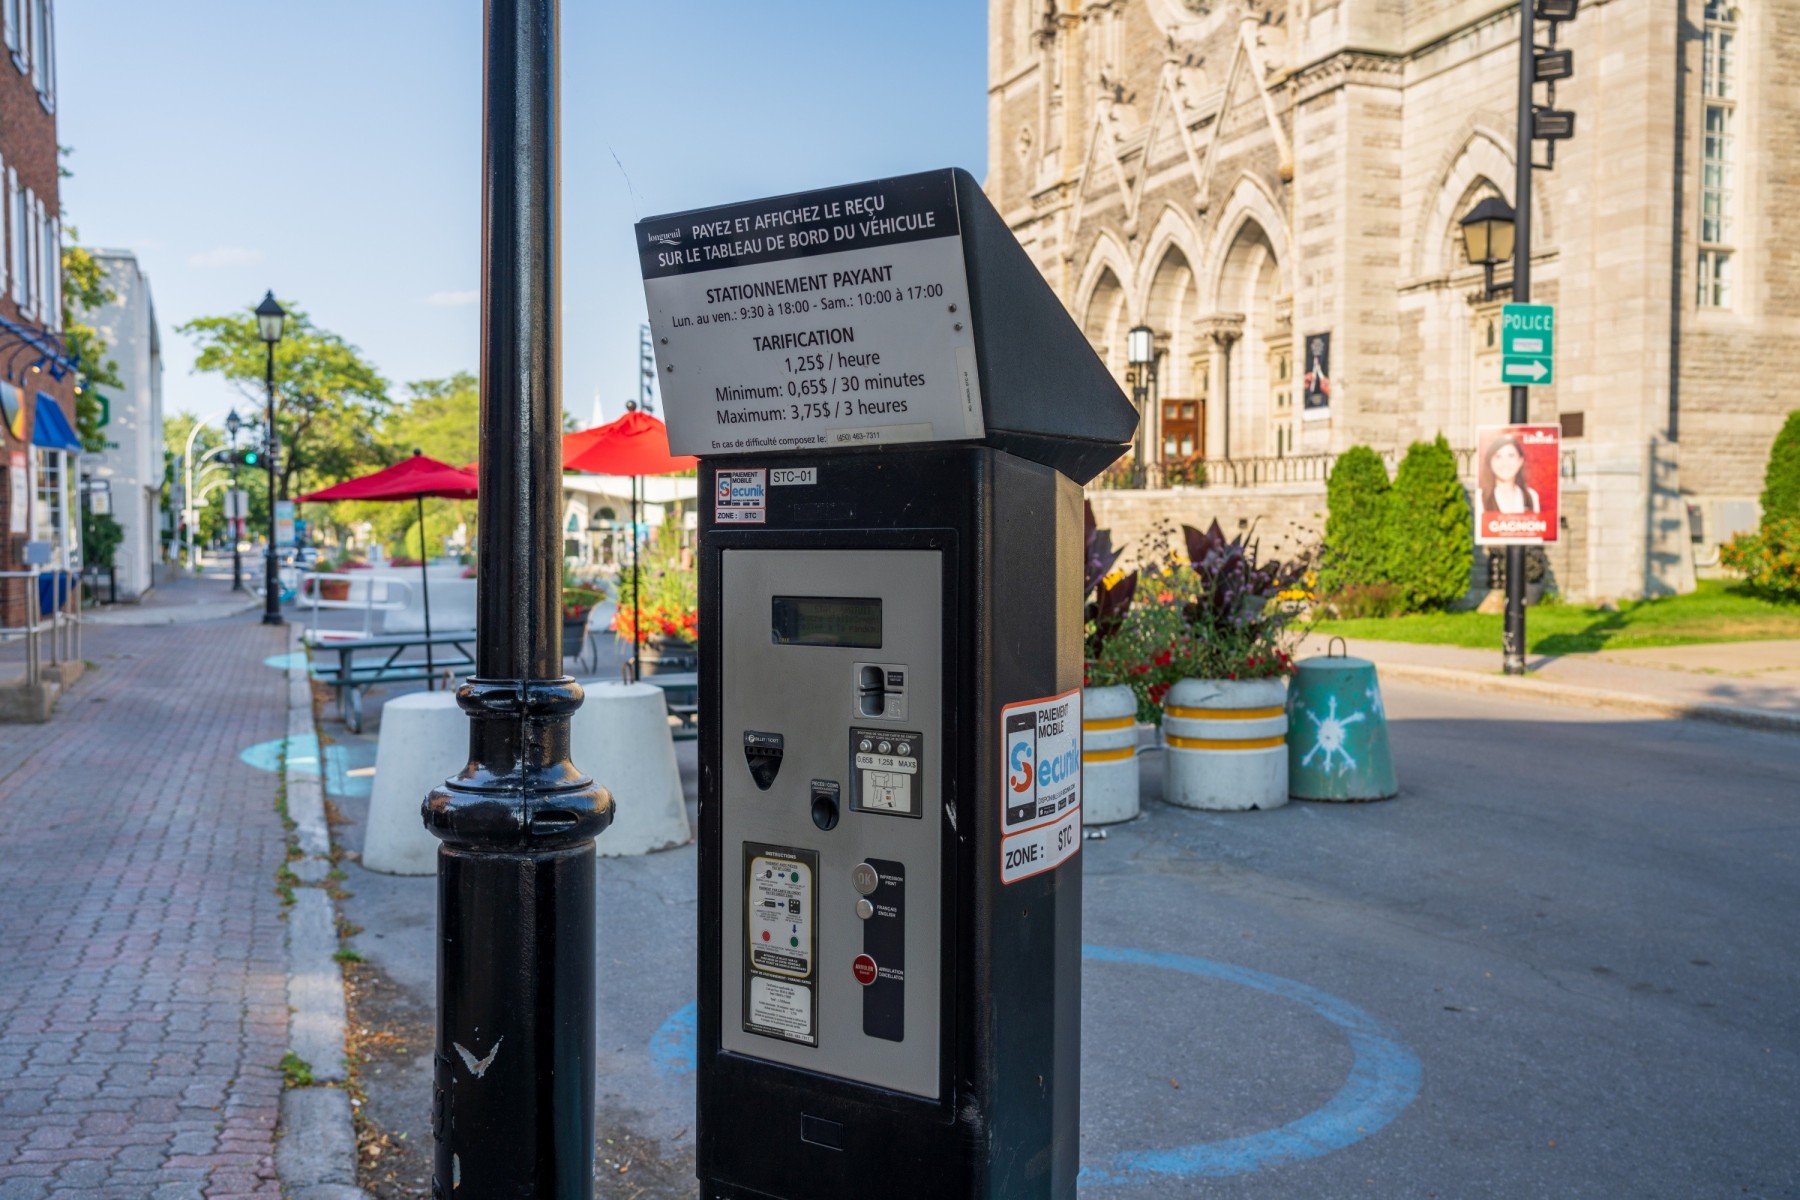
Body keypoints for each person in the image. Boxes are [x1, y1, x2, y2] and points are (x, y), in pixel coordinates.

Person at [1479, 433, 1539, 514]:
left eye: (1511, 456)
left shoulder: (1531, 496)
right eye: (1498, 456)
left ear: (1520, 461)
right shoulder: (1480, 497)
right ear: (1490, 462)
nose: (1505, 463)